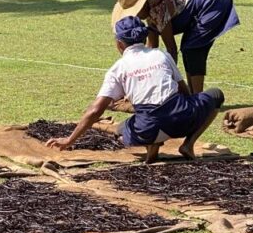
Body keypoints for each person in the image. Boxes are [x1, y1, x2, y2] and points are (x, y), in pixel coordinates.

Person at [46, 16, 224, 163]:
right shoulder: (161, 55)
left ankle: (152, 145)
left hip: (148, 128)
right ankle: (189, 143)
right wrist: (193, 114)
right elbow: (184, 90)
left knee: (121, 131)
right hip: (182, 117)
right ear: (144, 38)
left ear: (119, 44)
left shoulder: (119, 68)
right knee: (216, 94)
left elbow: (95, 110)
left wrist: (69, 140)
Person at [111, 0, 239, 95]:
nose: (136, 15)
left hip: (214, 3)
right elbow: (151, 46)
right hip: (205, 7)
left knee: (192, 49)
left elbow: (171, 49)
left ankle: (197, 98)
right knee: (188, 48)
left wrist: (167, 79)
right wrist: (142, 70)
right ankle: (192, 95)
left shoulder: (159, 8)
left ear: (143, 4)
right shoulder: (150, 13)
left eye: (136, 11)